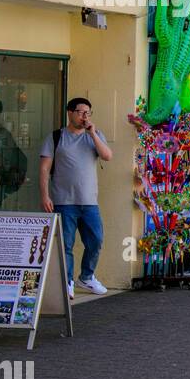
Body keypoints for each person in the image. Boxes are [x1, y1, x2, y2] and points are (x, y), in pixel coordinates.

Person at [39, 97, 113, 297]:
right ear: (70, 112)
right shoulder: (56, 137)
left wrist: (93, 134)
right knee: (66, 244)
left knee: (96, 240)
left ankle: (87, 277)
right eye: (80, 112)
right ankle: (68, 281)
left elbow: (107, 156)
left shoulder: (94, 135)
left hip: (89, 201)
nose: (84, 116)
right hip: (63, 201)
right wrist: (45, 195)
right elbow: (44, 169)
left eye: (88, 113)